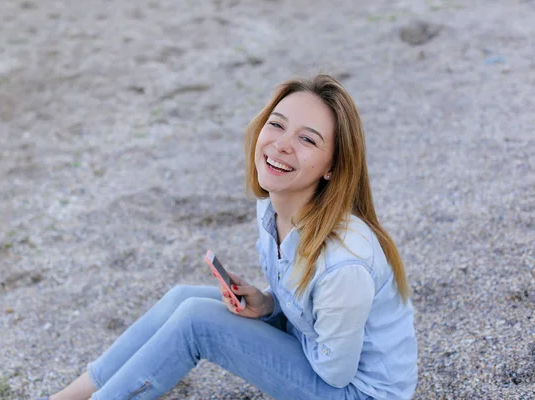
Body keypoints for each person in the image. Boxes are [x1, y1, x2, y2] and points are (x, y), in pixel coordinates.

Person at [39, 74, 418, 400]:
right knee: (184, 298)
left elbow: (334, 372)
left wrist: (258, 335)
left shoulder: (344, 262)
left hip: (356, 391)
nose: (282, 144)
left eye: (308, 139)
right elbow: (308, 312)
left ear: (333, 167)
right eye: (277, 125)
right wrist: (268, 307)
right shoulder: (271, 207)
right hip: (321, 353)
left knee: (199, 322)